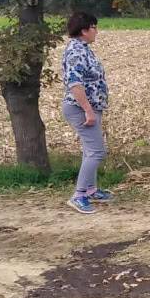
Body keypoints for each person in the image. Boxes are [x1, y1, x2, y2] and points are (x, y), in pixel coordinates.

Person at [61, 12, 112, 214]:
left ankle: (91, 190)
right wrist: (88, 111)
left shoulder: (83, 49)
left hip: (89, 108)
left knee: (89, 151)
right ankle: (79, 195)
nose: (96, 31)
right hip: (80, 108)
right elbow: (75, 84)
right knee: (97, 151)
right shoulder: (76, 52)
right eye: (94, 27)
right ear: (84, 30)